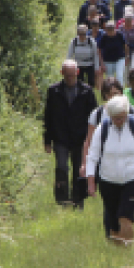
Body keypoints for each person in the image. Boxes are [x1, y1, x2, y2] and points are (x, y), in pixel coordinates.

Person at [86, 95, 134, 244]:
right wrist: (91, 181)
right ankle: (117, 252)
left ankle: (126, 251)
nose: (119, 121)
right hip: (108, 180)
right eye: (115, 118)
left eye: (122, 117)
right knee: (113, 219)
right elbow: (93, 155)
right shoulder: (102, 129)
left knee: (125, 216)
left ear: (127, 114)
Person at [43, 60, 98, 208]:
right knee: (61, 168)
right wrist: (47, 140)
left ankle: (78, 200)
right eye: (67, 75)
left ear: (77, 73)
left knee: (79, 170)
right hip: (60, 137)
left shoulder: (86, 91)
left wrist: (93, 140)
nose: (70, 78)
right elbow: (47, 116)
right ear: (62, 74)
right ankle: (62, 201)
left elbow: (94, 117)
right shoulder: (53, 91)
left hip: (80, 138)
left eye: (72, 75)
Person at [78, 78, 134, 178]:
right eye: (109, 94)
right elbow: (89, 141)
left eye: (116, 93)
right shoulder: (97, 114)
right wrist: (85, 164)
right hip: (106, 163)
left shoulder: (132, 111)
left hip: (129, 161)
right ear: (105, 96)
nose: (113, 97)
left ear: (121, 93)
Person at [98, 18, 128, 86]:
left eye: (112, 30)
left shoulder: (119, 35)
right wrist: (102, 63)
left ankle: (121, 92)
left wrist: (126, 57)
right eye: (109, 30)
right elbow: (99, 50)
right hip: (107, 60)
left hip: (119, 59)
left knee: (119, 75)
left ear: (114, 29)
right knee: (109, 78)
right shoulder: (104, 37)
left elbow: (125, 46)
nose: (110, 32)